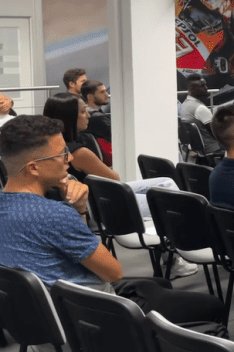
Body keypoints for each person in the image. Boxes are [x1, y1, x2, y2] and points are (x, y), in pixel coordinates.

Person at [0, 115, 227, 325]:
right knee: (213, 306)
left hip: (39, 319)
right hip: (92, 318)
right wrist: (79, 211)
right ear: (34, 168)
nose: (69, 158)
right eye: (61, 154)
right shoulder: (54, 214)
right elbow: (112, 273)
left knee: (159, 284)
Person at [41, 94, 189, 257]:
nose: (88, 115)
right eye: (83, 112)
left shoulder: (45, 147)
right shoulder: (79, 153)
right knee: (169, 203)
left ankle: (173, 252)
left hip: (91, 200)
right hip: (101, 207)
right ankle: (177, 256)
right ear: (68, 118)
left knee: (166, 183)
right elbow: (114, 179)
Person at [179, 77, 223, 157]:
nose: (206, 88)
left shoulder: (185, 104)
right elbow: (217, 132)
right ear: (192, 88)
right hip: (212, 149)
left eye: (206, 85)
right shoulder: (200, 108)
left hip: (196, 150)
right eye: (202, 85)